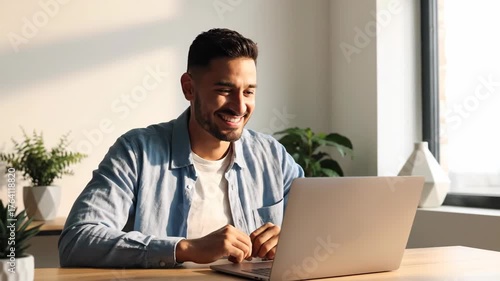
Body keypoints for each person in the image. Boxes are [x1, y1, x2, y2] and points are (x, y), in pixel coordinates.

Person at [58, 28, 304, 269]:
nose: (239, 106)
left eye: (248, 92)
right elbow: (77, 240)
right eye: (224, 90)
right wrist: (186, 249)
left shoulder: (273, 157)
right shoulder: (136, 152)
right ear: (189, 88)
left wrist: (292, 241)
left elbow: (323, 234)